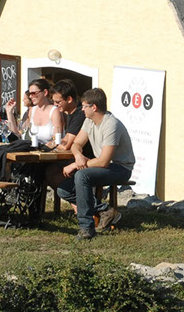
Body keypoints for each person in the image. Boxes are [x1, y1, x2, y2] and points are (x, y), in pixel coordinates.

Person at [57, 88, 136, 240]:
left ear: (94, 107)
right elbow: (76, 144)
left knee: (81, 176)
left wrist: (75, 165)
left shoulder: (111, 125)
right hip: (102, 166)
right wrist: (78, 156)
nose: (82, 109)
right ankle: (105, 210)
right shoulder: (89, 121)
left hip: (120, 168)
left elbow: (104, 161)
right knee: (64, 190)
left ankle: (86, 228)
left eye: (84, 106)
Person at [6, 79, 62, 145]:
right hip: (33, 149)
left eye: (33, 93)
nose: (30, 96)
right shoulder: (32, 111)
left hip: (49, 150)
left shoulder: (54, 111)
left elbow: (57, 140)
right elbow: (19, 134)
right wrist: (9, 112)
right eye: (30, 94)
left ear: (45, 92)